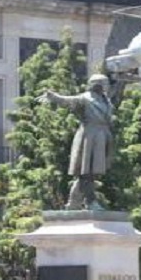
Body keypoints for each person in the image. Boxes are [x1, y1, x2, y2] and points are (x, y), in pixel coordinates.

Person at [38, 74, 116, 210]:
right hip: (89, 135)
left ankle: (74, 202)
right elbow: (67, 101)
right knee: (87, 172)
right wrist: (53, 96)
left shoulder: (106, 100)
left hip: (102, 135)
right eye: (105, 84)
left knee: (90, 172)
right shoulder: (84, 98)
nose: (107, 86)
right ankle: (90, 201)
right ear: (97, 85)